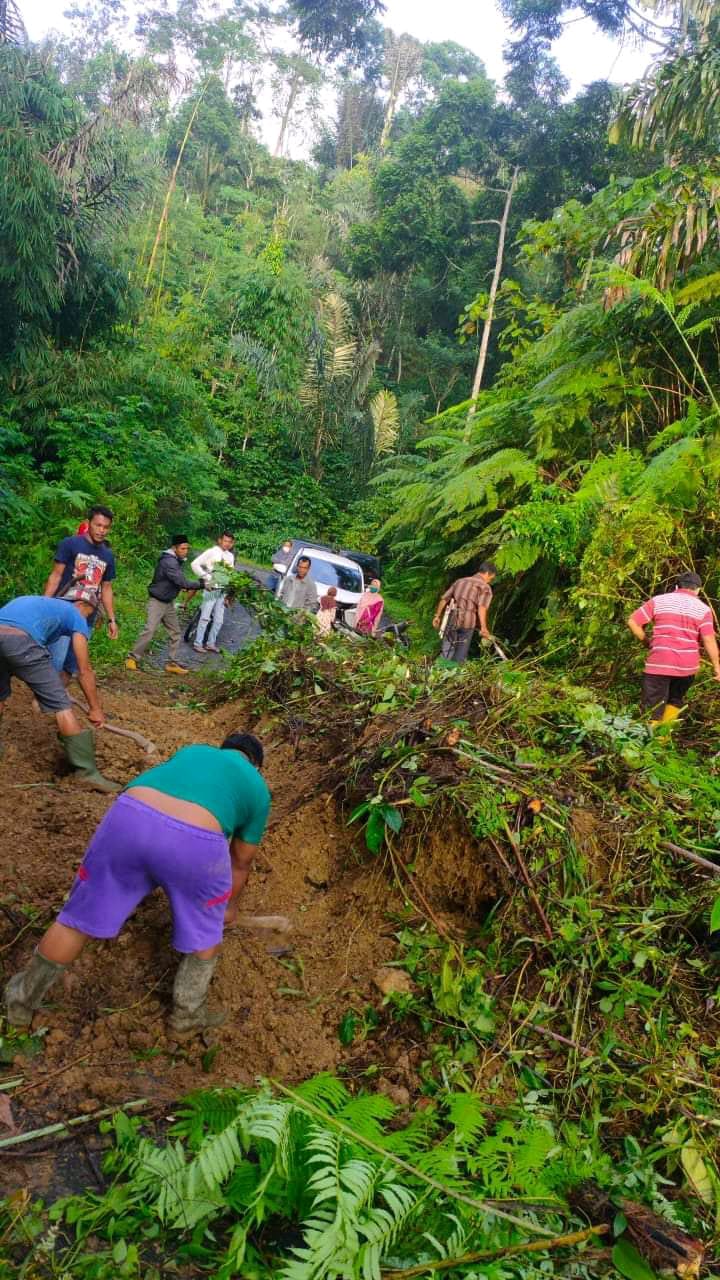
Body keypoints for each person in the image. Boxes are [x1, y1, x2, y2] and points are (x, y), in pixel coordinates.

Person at [4, 732, 270, 1035]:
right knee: (205, 934)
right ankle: (187, 1017)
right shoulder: (257, 785)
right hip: (196, 841)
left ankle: (20, 1004)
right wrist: (227, 909)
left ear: (224, 749)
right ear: (255, 765)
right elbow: (241, 861)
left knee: (75, 920)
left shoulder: (194, 750)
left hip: (128, 816)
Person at [0, 594, 116, 791]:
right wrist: (95, 708)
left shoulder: (39, 602)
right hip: (20, 641)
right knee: (62, 706)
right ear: (81, 604)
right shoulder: (75, 614)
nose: (86, 620)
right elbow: (84, 670)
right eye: (89, 614)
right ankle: (87, 773)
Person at [627, 571, 720, 728]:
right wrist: (717, 666)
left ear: (677, 586)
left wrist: (647, 642)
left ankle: (650, 746)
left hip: (659, 663)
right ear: (698, 590)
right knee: (674, 700)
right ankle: (663, 741)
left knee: (652, 708)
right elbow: (709, 640)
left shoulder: (658, 601)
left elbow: (632, 622)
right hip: (687, 667)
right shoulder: (703, 609)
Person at [44, 506, 118, 677]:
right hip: (63, 612)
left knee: (72, 666)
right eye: (98, 525)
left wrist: (111, 619)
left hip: (87, 617)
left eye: (106, 527)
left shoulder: (107, 555)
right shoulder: (70, 544)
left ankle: (55, 699)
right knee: (56, 660)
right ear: (88, 523)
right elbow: (56, 576)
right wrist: (44, 605)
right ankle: (43, 701)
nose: (101, 530)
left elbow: (106, 588)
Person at [126, 536, 199, 675]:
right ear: (174, 548)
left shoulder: (176, 560)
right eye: (182, 548)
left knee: (176, 632)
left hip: (168, 603)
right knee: (150, 629)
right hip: (158, 601)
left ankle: (171, 663)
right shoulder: (169, 561)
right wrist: (201, 584)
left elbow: (175, 581)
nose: (185, 551)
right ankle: (132, 658)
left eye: (187, 548)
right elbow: (181, 581)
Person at [432, 562, 497, 664]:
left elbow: (444, 599)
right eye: (491, 578)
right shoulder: (485, 587)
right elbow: (482, 608)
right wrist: (484, 627)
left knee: (446, 650)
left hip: (453, 619)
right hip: (468, 622)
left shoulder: (460, 581)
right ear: (487, 573)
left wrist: (437, 616)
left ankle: (439, 673)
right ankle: (454, 675)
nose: (489, 581)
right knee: (460, 654)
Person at [191, 533, 235, 654]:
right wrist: (206, 577)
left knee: (219, 620)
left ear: (232, 544)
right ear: (220, 540)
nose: (227, 543)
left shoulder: (230, 556)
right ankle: (198, 643)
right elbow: (194, 564)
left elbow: (230, 574)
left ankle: (211, 643)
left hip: (222, 590)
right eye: (225, 541)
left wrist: (229, 594)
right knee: (205, 617)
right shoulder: (211, 551)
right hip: (211, 589)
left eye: (229, 542)